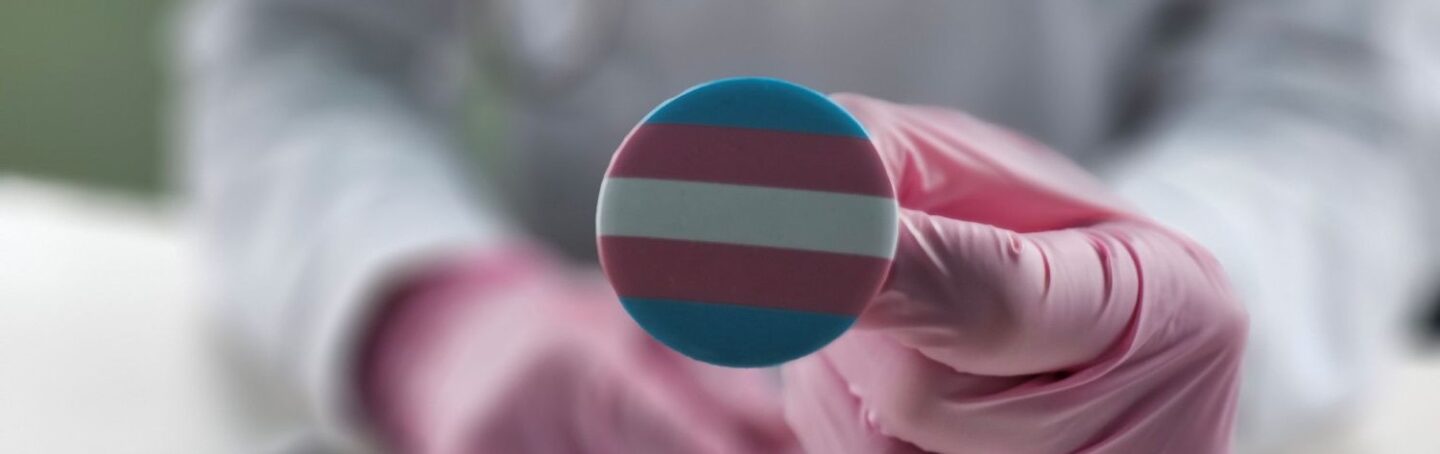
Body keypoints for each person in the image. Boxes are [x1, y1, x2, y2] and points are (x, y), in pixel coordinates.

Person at [175, 0, 1436, 452]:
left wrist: (1123, 313)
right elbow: (303, 54)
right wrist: (433, 313)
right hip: (597, 372)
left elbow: (1329, 100)